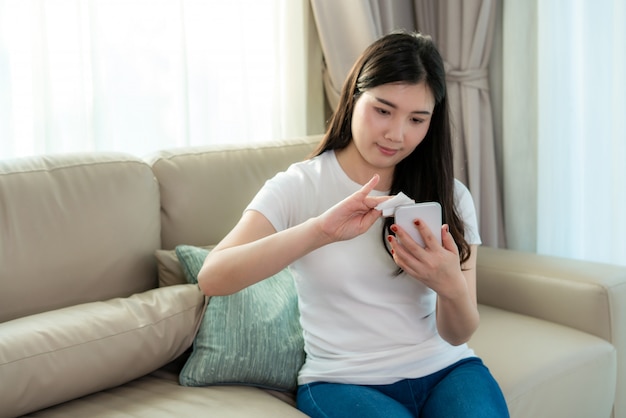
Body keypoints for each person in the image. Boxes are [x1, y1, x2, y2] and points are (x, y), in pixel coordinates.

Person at [197, 31, 509, 418]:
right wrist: (319, 232)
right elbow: (213, 277)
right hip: (342, 381)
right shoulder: (298, 186)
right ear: (354, 96)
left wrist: (450, 288)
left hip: (447, 369)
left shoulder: (451, 196)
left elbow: (458, 333)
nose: (397, 134)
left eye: (416, 119)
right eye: (383, 110)